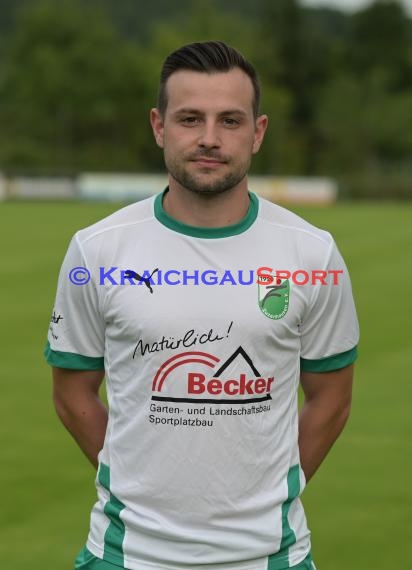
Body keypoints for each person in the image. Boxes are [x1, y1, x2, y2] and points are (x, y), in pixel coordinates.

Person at [45, 41, 359, 570]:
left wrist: (264, 497)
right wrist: (136, 484)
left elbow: (332, 399)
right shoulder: (97, 249)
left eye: (230, 121)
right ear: (159, 126)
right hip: (127, 554)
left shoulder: (313, 253)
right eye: (190, 118)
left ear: (258, 133)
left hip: (271, 556)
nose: (209, 138)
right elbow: (72, 390)